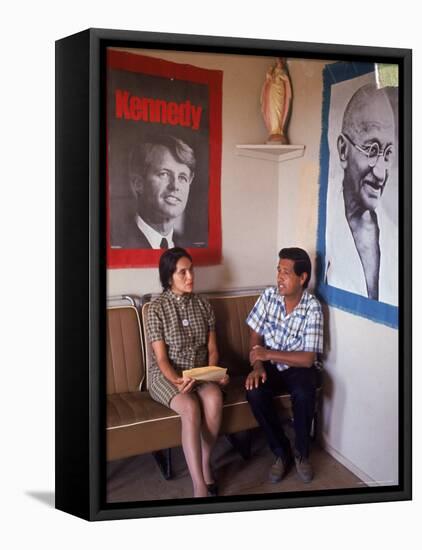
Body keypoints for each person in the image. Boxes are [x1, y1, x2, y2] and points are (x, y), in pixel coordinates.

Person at [146, 247, 229, 497]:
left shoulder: (203, 304)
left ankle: (205, 463)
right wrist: (178, 380)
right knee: (190, 407)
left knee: (214, 399)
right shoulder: (156, 308)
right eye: (183, 272)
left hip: (200, 372)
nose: (190, 276)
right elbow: (161, 359)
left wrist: (214, 372)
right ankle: (199, 486)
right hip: (167, 375)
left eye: (191, 270)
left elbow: (213, 350)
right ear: (169, 276)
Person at [245, 247, 323, 484]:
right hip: (269, 364)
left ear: (302, 278)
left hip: (298, 365)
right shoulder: (269, 296)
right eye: (278, 270)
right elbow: (255, 337)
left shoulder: (312, 307)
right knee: (254, 391)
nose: (279, 277)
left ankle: (301, 453)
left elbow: (308, 358)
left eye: (286, 272)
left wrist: (267, 354)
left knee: (304, 392)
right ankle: (281, 452)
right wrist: (257, 365)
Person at [325, 83, 398, 305]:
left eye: (387, 153)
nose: (380, 172)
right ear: (343, 151)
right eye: (372, 150)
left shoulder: (396, 237)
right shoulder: (327, 231)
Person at [117, 135, 196, 249]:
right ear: (138, 184)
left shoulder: (188, 247)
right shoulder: (118, 242)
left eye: (182, 177)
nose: (175, 186)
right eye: (164, 174)